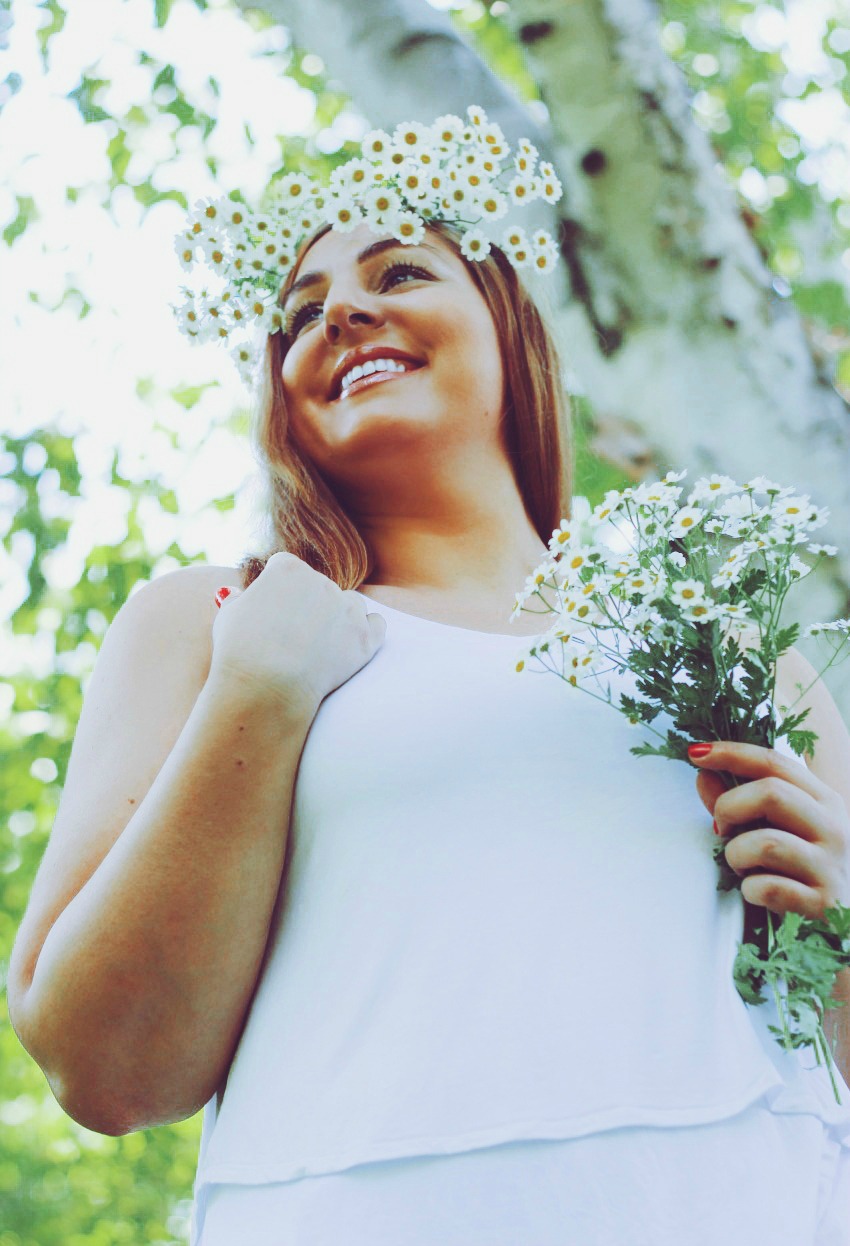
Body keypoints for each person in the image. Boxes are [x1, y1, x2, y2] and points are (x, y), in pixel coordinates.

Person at [7, 110, 850, 1245]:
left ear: (509, 328)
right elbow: (102, 1066)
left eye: (398, 270)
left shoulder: (729, 647)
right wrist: (258, 691)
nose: (341, 313)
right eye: (298, 314)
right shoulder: (211, 622)